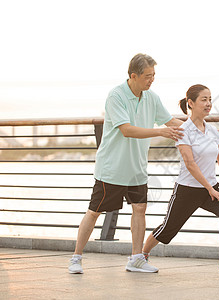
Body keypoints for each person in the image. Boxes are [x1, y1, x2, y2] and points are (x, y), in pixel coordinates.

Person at [68, 53, 184, 274]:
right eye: (148, 76)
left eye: (154, 75)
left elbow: (170, 121)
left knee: (140, 209)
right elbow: (127, 129)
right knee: (94, 212)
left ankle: (136, 258)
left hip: (136, 168)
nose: (152, 80)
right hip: (112, 168)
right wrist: (160, 131)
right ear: (134, 75)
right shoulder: (116, 96)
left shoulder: (152, 97)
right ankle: (76, 258)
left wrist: (199, 130)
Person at [142, 84, 219, 277]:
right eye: (204, 100)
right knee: (167, 229)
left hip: (210, 189)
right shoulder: (183, 130)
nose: (208, 104)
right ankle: (141, 256)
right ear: (191, 103)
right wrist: (210, 189)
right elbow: (190, 163)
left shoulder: (213, 131)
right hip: (187, 190)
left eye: (210, 99)